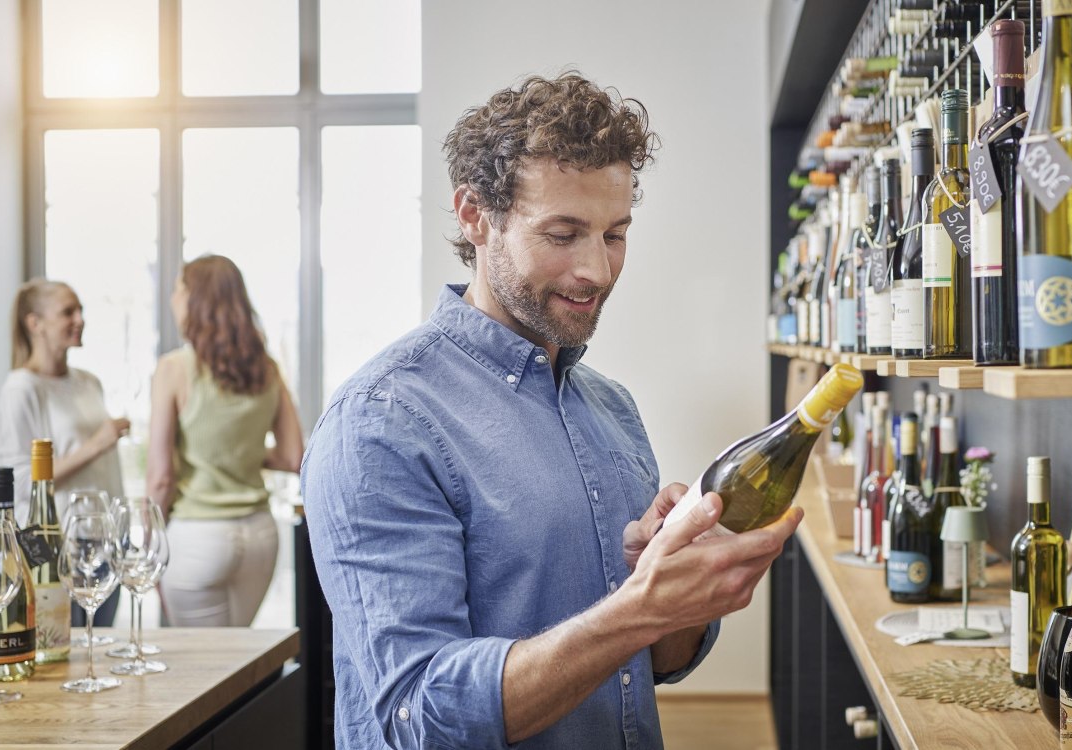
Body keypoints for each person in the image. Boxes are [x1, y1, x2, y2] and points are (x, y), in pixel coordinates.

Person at [302, 72, 801, 749]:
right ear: (475, 215)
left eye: (615, 234)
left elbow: (652, 666)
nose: (596, 269)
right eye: (563, 234)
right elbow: (417, 717)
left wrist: (677, 592)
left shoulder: (612, 407)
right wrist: (635, 609)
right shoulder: (381, 421)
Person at [147, 255, 304, 627]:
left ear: (192, 299)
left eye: (177, 289)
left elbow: (160, 478)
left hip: (197, 538)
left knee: (202, 670)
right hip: (261, 539)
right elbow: (293, 456)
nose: (172, 299)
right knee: (238, 666)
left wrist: (148, 549)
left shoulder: (173, 369)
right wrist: (242, 453)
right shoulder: (267, 368)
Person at [0, 278, 129, 627]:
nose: (79, 319)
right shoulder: (21, 389)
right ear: (34, 323)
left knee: (97, 651)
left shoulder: (89, 382)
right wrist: (96, 445)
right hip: (58, 549)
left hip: (105, 541)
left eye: (80, 310)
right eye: (67, 311)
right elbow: (21, 482)